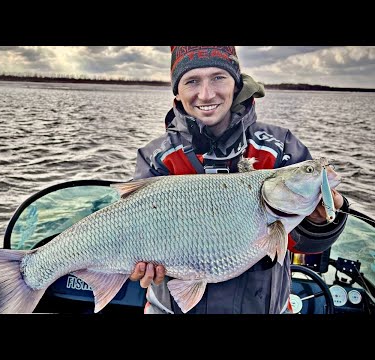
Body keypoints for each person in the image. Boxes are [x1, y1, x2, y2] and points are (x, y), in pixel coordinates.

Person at [128, 46, 348, 314]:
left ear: (237, 82)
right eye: (192, 81)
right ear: (177, 90)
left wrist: (320, 220)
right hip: (171, 308)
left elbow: (307, 243)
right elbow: (134, 227)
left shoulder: (281, 147)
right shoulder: (156, 157)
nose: (206, 94)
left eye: (219, 77)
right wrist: (142, 263)